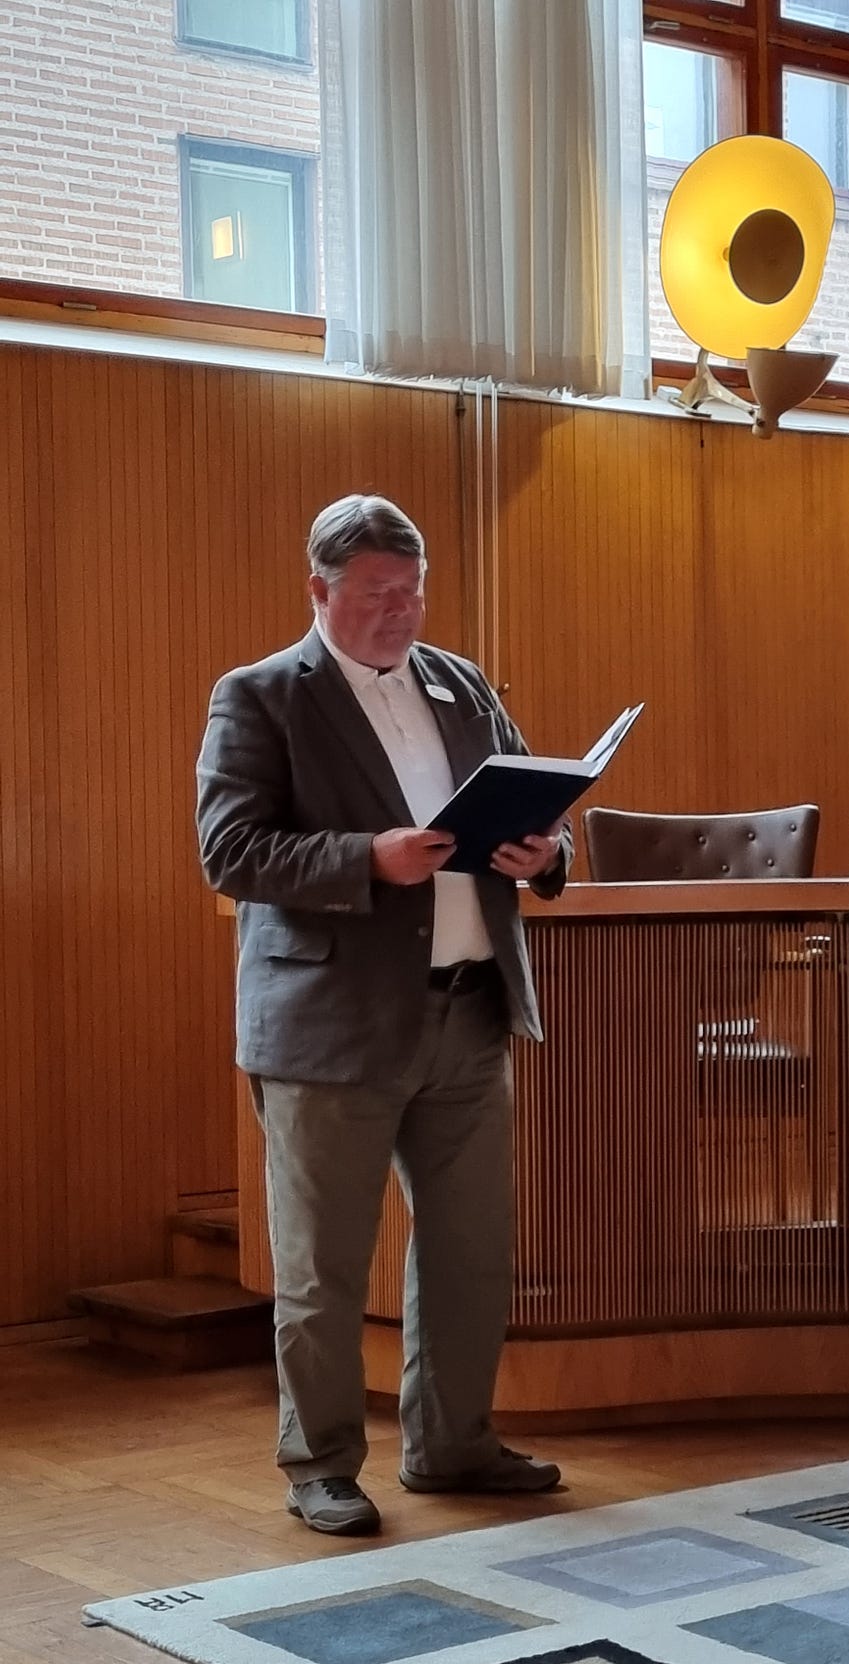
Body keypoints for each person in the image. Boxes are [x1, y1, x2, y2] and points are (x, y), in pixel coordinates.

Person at [197, 494, 570, 1537]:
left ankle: (452, 1444)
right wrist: (369, 856)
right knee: (324, 1265)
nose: (400, 612)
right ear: (319, 591)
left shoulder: (458, 682)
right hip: (330, 1027)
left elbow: (534, 805)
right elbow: (230, 852)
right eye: (375, 594)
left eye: (411, 591)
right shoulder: (261, 697)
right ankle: (319, 1465)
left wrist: (545, 855)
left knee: (470, 1251)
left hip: (468, 1012)